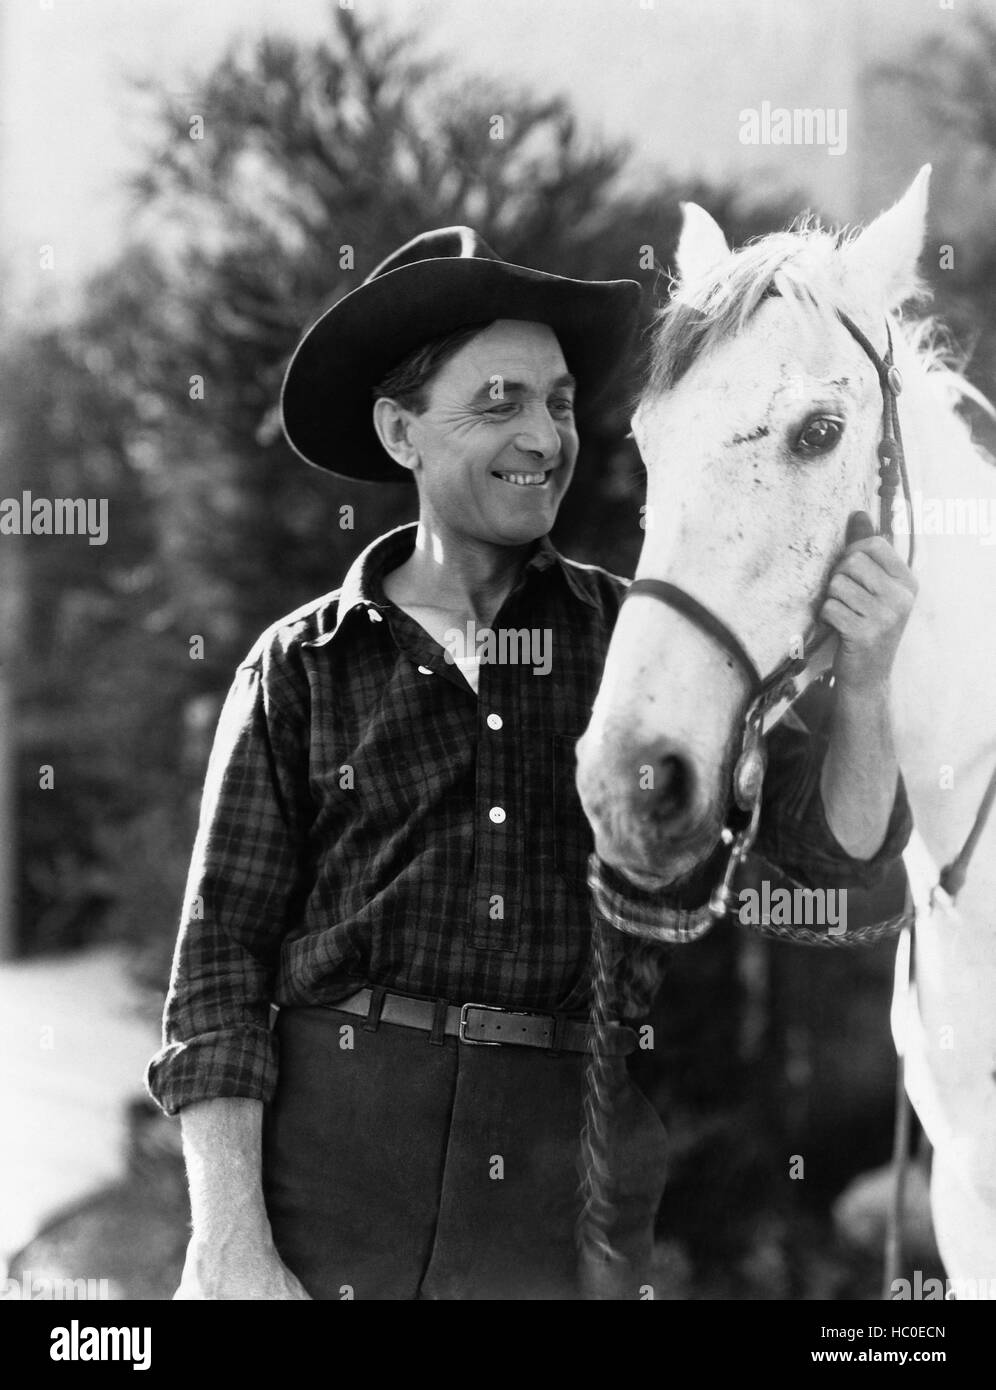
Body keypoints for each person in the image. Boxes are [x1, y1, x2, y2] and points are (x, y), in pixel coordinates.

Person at [145, 227, 915, 1300]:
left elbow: (838, 863)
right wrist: (226, 1241)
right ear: (401, 431)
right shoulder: (299, 669)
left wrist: (867, 684)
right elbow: (218, 972)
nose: (543, 435)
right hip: (324, 1186)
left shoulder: (645, 645)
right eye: (498, 400)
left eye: (556, 402)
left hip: (558, 1208)